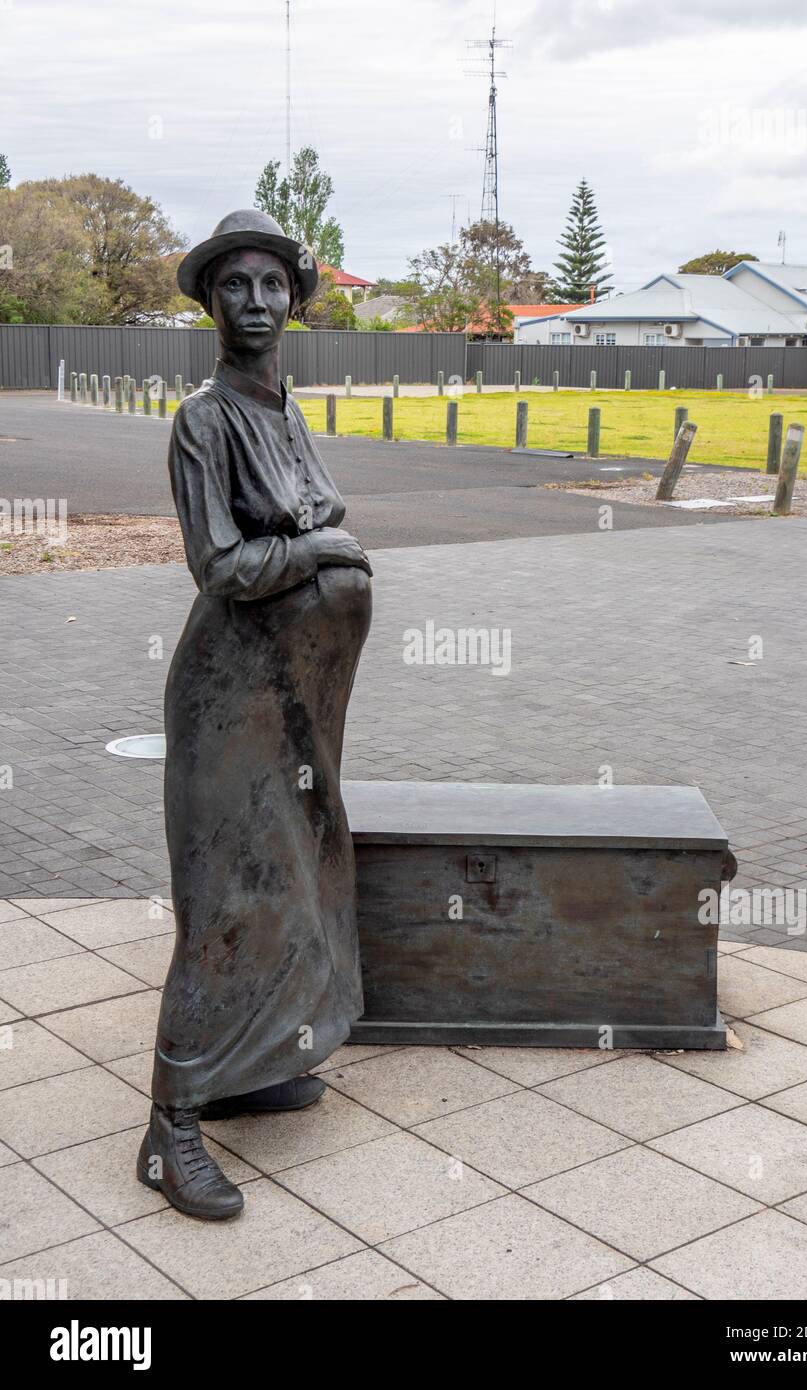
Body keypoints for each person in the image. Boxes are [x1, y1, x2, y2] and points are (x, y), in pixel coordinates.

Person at [137, 210, 372, 1220]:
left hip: (291, 696)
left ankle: (253, 1064)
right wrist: (322, 555)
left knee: (292, 877)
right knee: (223, 903)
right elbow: (225, 565)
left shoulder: (285, 408)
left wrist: (325, 547)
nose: (258, 303)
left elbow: (317, 507)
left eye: (274, 286)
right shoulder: (204, 419)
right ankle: (170, 1128)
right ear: (210, 303)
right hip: (226, 696)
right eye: (236, 285)